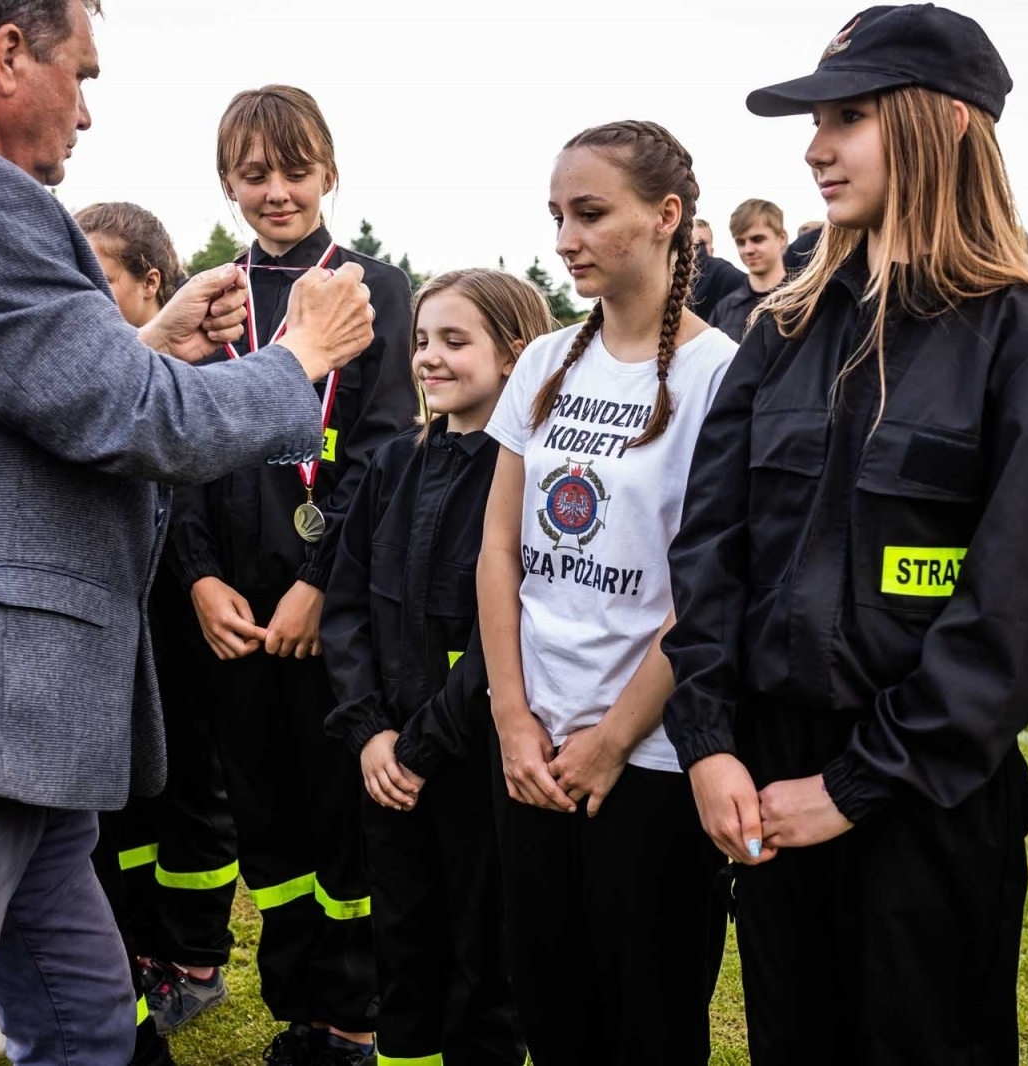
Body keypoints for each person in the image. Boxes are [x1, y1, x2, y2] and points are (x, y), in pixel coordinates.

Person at [0, 3, 377, 1063]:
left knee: (90, 1031)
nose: (87, 112)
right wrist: (297, 359)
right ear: (8, 53)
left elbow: (6, 423)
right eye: (80, 75)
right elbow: (126, 417)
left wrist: (148, 342)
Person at [663, 7, 1028, 1064]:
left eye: (850, 117)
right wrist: (710, 740)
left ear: (947, 124)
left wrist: (856, 787)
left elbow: (1012, 611)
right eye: (816, 119)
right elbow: (708, 549)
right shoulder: (777, 328)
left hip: (925, 803)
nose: (817, 146)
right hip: (767, 783)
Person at [165, 84, 415, 1066]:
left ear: (329, 170)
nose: (275, 192)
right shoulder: (212, 293)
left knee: (337, 817)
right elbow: (178, 442)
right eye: (253, 173)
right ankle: (298, 1009)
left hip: (329, 609)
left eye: (294, 170)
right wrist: (194, 579)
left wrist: (320, 580)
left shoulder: (373, 288)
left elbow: (381, 449)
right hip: (231, 608)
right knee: (262, 820)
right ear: (228, 180)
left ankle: (355, 1015)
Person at [479, 119, 736, 1066]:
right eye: (557, 217)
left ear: (667, 218)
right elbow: (499, 549)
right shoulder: (545, 362)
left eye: (590, 214)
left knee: (652, 1022)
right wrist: (512, 719)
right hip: (532, 752)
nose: (564, 240)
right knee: (552, 1012)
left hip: (653, 759)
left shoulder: (721, 375)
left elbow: (707, 589)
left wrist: (614, 739)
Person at [323, 268, 551, 1066]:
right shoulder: (392, 466)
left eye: (456, 341)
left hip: (475, 771)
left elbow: (508, 634)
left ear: (516, 353)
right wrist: (369, 734)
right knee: (404, 954)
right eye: (422, 340)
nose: (430, 357)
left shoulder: (530, 479)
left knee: (483, 967)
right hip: (385, 768)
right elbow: (345, 607)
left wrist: (420, 748)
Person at [73, 199, 197, 1066]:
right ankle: (127, 969)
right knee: (92, 843)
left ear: (153, 283)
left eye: (101, 277)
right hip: (81, 649)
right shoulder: (73, 376)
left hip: (179, 627)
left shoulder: (186, 377)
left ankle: (186, 957)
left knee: (183, 805)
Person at [710, 198, 790, 342]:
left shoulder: (803, 303)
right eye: (740, 242)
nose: (748, 250)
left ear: (782, 238)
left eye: (757, 239)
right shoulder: (725, 310)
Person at [688, 217, 745, 320]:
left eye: (702, 244)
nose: (697, 251)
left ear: (711, 250)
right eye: (694, 244)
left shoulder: (724, 275)